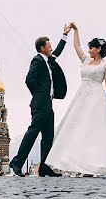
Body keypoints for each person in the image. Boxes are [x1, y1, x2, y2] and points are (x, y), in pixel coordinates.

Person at [45, 23, 106, 176]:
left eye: (91, 48)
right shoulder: (85, 61)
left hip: (97, 98)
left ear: (98, 49)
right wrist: (75, 31)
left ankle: (98, 163)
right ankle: (79, 164)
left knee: (95, 130)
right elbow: (76, 46)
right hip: (81, 97)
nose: (88, 50)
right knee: (78, 129)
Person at [10, 23, 73, 177]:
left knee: (48, 137)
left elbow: (58, 50)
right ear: (42, 48)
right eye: (49, 46)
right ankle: (17, 162)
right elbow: (29, 80)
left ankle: (44, 166)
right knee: (33, 133)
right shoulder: (37, 60)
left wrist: (64, 34)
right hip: (40, 103)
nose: (51, 49)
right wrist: (39, 95)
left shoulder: (49, 60)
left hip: (48, 104)